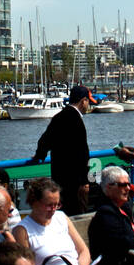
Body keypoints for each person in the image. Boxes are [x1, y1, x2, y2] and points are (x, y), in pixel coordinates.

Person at [31, 84, 96, 216]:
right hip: (75, 179)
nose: (88, 105)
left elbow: (44, 140)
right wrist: (85, 180)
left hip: (59, 175)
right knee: (76, 211)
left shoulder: (59, 117)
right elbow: (82, 153)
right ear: (83, 100)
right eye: (88, 101)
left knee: (62, 210)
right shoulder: (77, 120)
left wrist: (40, 155)